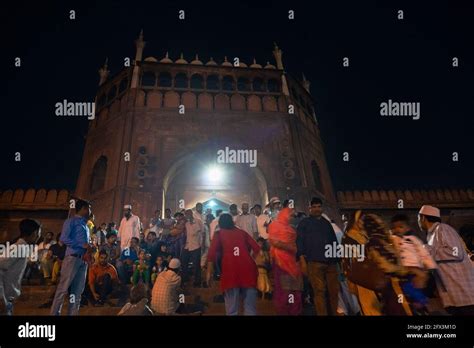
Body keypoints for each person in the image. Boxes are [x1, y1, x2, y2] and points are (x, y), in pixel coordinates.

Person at [418, 205, 474, 315]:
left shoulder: (442, 228)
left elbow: (456, 253)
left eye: (418, 218)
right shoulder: (432, 236)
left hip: (465, 296)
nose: (418, 222)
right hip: (453, 298)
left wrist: (426, 250)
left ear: (423, 218)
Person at [206, 213, 260, 315]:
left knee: (232, 310)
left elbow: (211, 254)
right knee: (250, 308)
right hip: (248, 270)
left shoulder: (219, 234)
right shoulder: (242, 232)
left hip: (230, 271)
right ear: (232, 222)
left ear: (220, 223)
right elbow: (257, 248)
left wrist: (209, 272)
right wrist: (250, 258)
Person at [297, 197, 340, 315]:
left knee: (334, 292)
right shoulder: (304, 223)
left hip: (331, 263)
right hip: (314, 262)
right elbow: (299, 242)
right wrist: (302, 261)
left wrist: (338, 261)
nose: (316, 209)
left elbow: (334, 242)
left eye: (319, 206)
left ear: (322, 208)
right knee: (319, 292)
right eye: (314, 207)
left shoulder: (326, 224)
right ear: (309, 208)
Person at [50, 199, 93, 316]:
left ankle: (73, 313)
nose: (90, 211)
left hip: (83, 260)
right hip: (72, 258)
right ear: (83, 208)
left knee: (77, 292)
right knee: (63, 289)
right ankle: (55, 313)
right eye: (89, 208)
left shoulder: (86, 226)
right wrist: (81, 245)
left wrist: (89, 248)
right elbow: (63, 238)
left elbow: (85, 244)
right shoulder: (71, 222)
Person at [390, 214, 437, 313]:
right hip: (402, 269)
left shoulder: (413, 239)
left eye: (400, 227)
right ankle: (415, 304)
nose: (397, 229)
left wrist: (429, 266)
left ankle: (421, 300)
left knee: (412, 286)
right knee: (404, 287)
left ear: (407, 228)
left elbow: (423, 253)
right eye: (394, 227)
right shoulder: (392, 239)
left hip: (414, 267)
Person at [0, 219, 41, 315]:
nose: (39, 236)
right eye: (39, 233)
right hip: (4, 300)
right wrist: (1, 298)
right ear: (34, 233)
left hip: (8, 299)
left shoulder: (22, 247)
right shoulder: (19, 248)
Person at [269, 207, 303, 315]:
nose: (292, 218)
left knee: (295, 289)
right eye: (291, 215)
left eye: (293, 216)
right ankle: (284, 310)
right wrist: (290, 247)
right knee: (284, 290)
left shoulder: (291, 229)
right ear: (283, 215)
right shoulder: (275, 225)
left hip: (293, 262)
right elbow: (274, 242)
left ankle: (294, 311)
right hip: (281, 262)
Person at [181, 209, 204, 288]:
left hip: (196, 246)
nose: (187, 216)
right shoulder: (185, 223)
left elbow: (203, 233)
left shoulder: (198, 221)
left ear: (191, 214)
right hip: (186, 246)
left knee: (196, 265)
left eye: (188, 214)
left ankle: (197, 282)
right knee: (184, 263)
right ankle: (185, 280)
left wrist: (203, 244)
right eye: (186, 214)